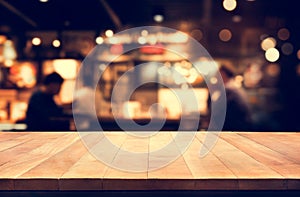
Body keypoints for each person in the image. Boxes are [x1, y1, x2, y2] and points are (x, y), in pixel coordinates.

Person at [207, 65, 252, 131]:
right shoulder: (234, 88)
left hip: (236, 129)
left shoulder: (229, 91)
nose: (216, 76)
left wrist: (210, 92)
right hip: (240, 127)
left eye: (218, 74)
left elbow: (215, 111)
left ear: (223, 74)